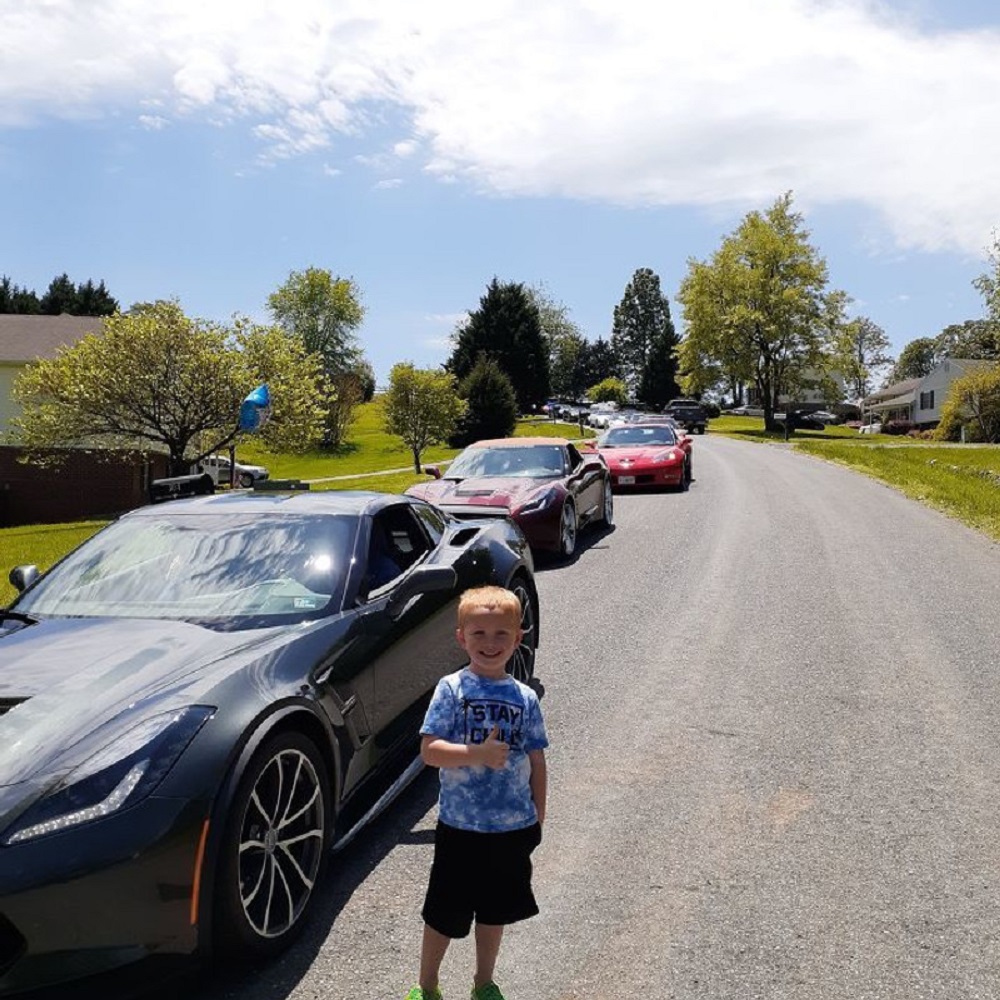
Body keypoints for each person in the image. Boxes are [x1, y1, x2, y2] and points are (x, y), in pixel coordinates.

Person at [406, 586, 548, 1000]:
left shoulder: (524, 697)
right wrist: (477, 753)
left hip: (511, 828)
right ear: (461, 637)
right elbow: (430, 751)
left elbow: (537, 761)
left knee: (495, 911)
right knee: (443, 913)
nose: (490, 643)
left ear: (517, 638)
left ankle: (483, 983)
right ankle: (427, 986)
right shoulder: (451, 689)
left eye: (501, 634)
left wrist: (538, 817)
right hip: (461, 828)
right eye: (479, 633)